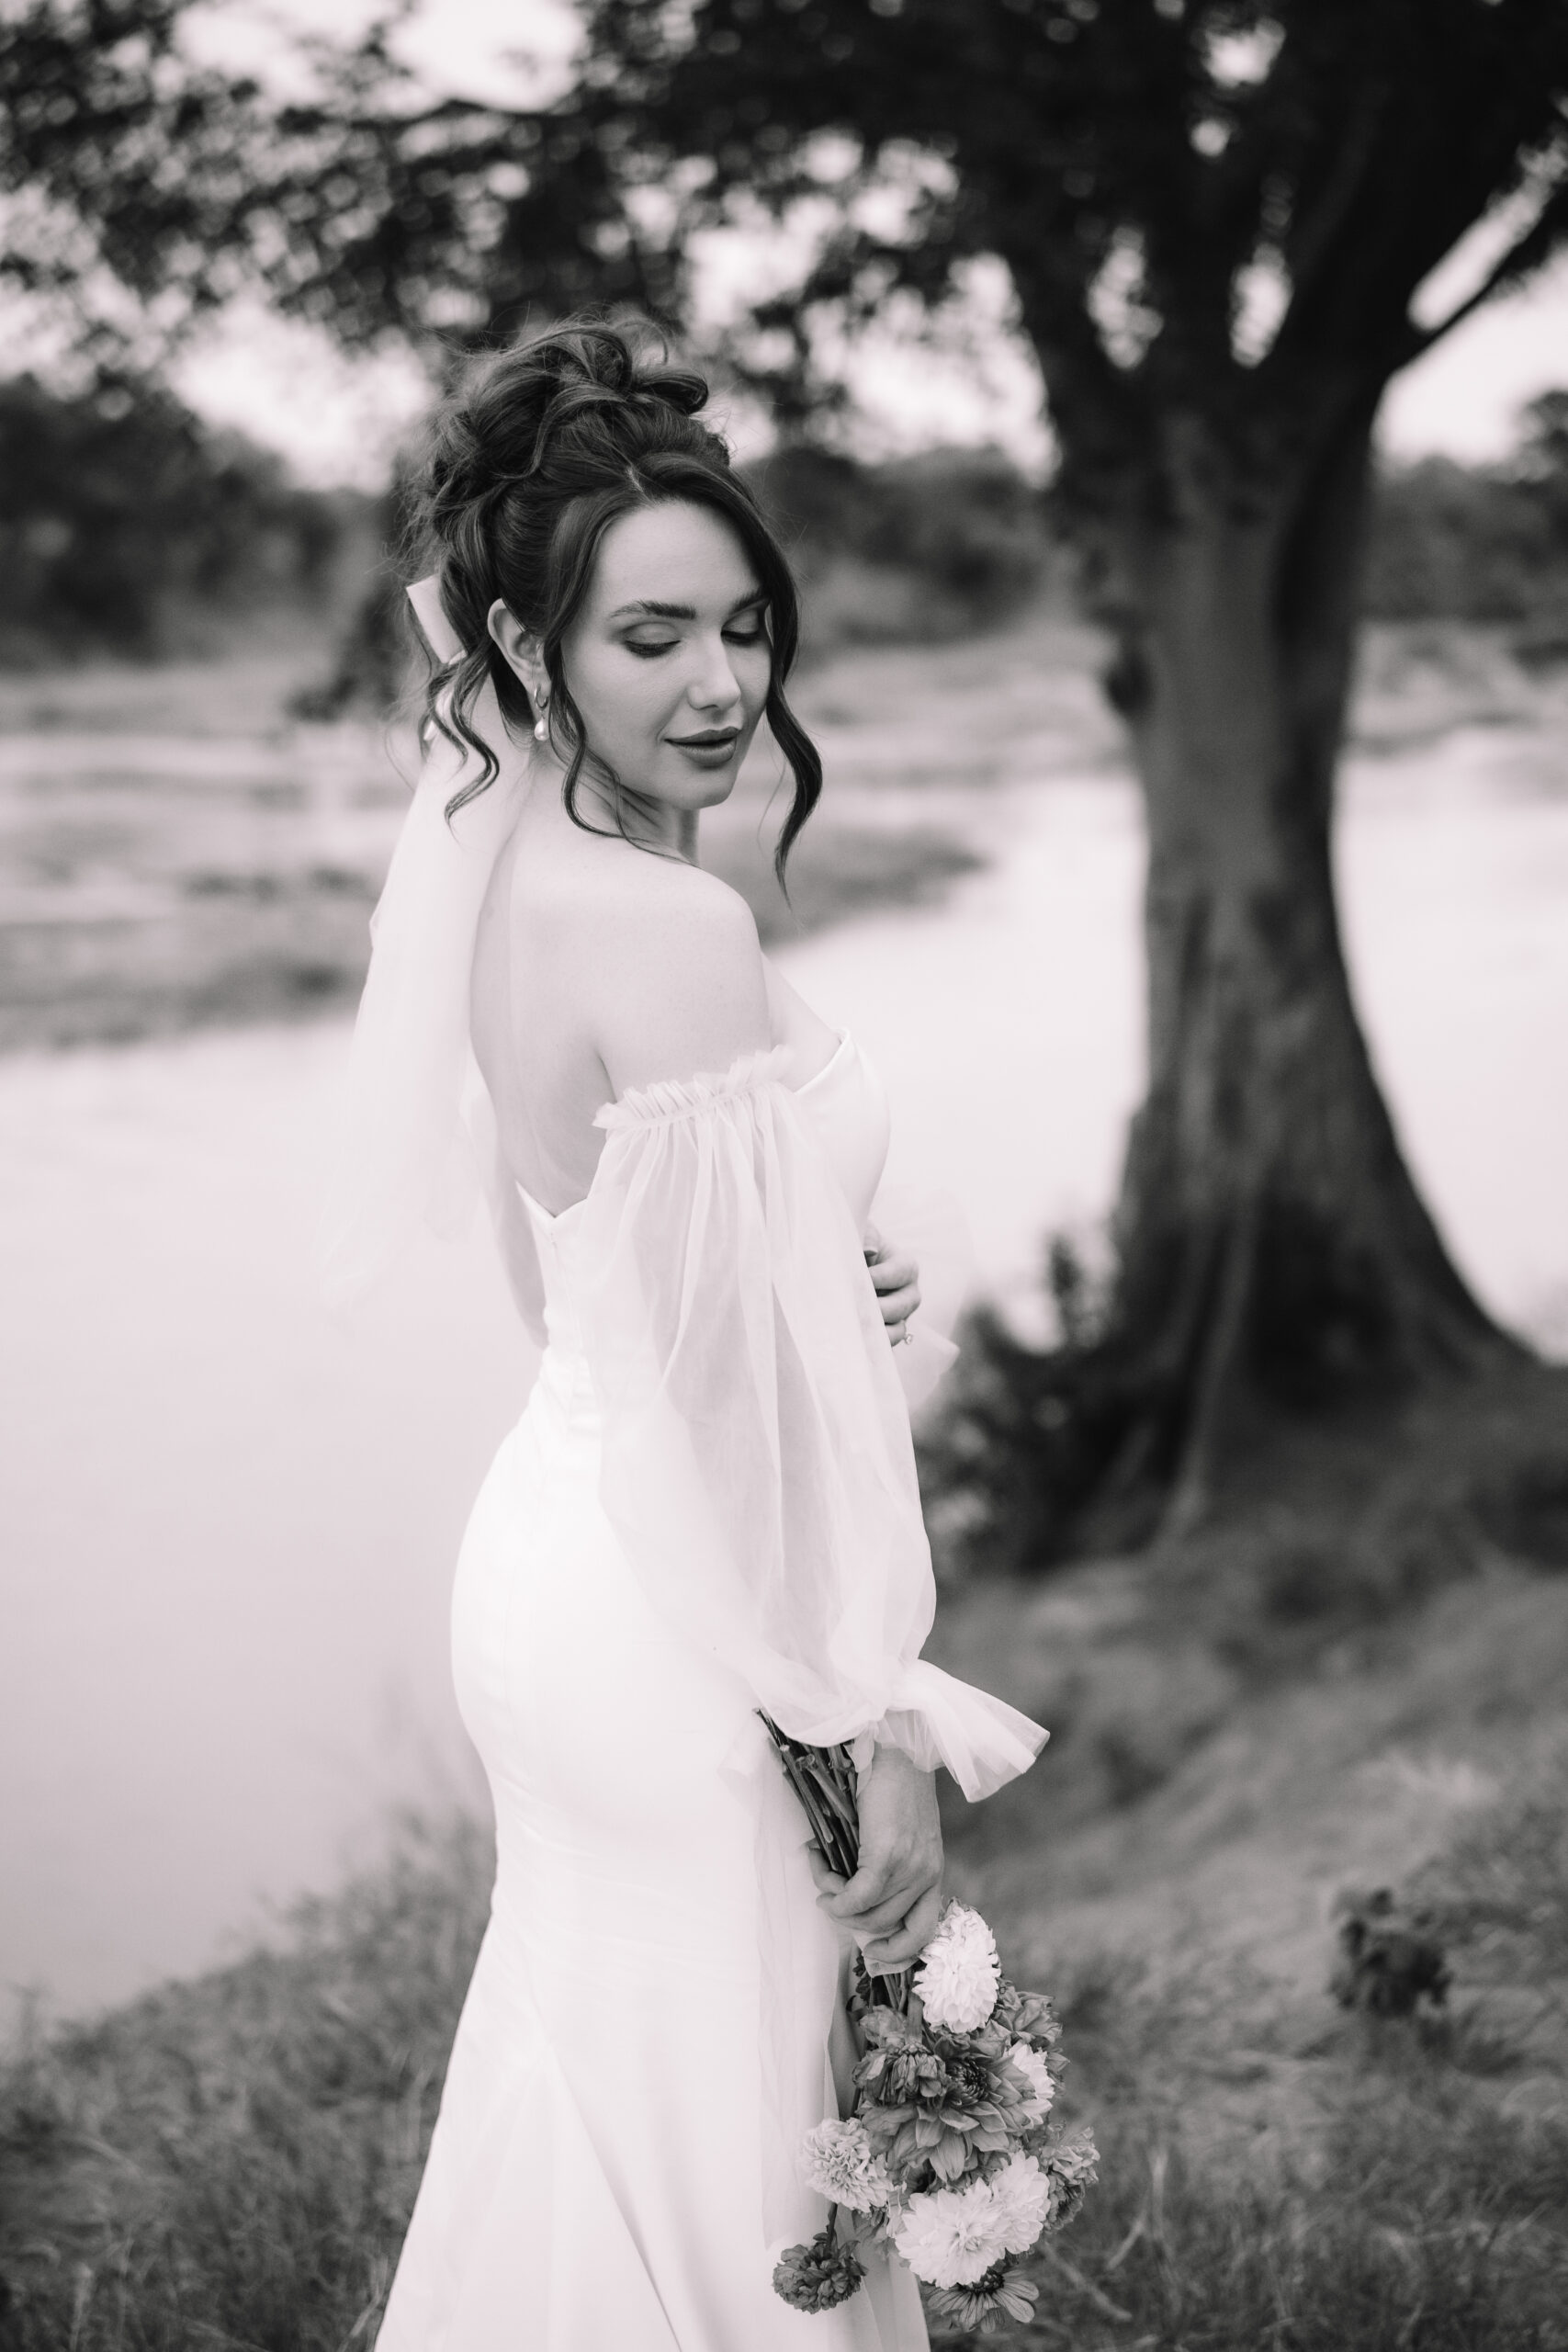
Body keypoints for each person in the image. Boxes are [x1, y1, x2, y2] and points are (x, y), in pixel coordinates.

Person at [321, 320, 1047, 2352]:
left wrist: (804, 1268)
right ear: (530, 648)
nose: (722, 683)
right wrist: (865, 1712)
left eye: (742, 624)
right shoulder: (667, 922)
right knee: (737, 2173)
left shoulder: (523, 881)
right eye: (649, 637)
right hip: (686, 1625)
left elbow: (561, 1264)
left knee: (599, 2096)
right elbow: (726, 1403)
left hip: (558, 1559)